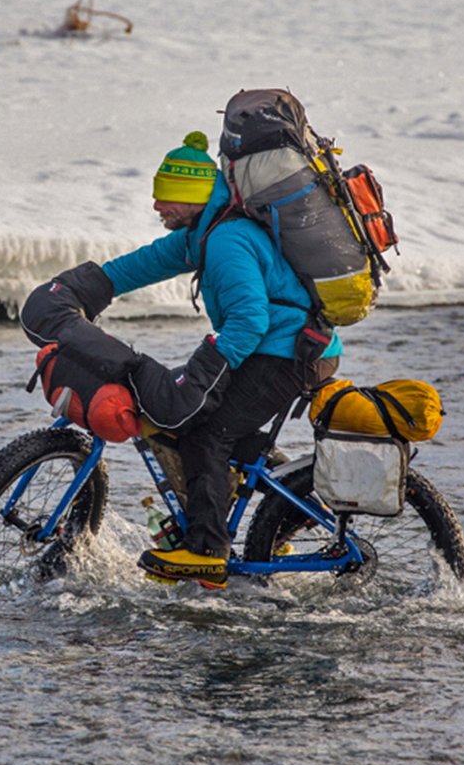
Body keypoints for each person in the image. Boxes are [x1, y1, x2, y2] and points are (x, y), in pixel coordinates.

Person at [98, 130, 342, 589]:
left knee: (208, 433)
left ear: (193, 199)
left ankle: (206, 551)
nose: (157, 207)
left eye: (167, 198)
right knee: (224, 426)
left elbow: (249, 319)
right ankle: (295, 508)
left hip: (291, 353)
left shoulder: (227, 239)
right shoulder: (204, 230)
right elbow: (144, 264)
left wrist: (211, 367)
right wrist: (86, 287)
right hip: (290, 347)